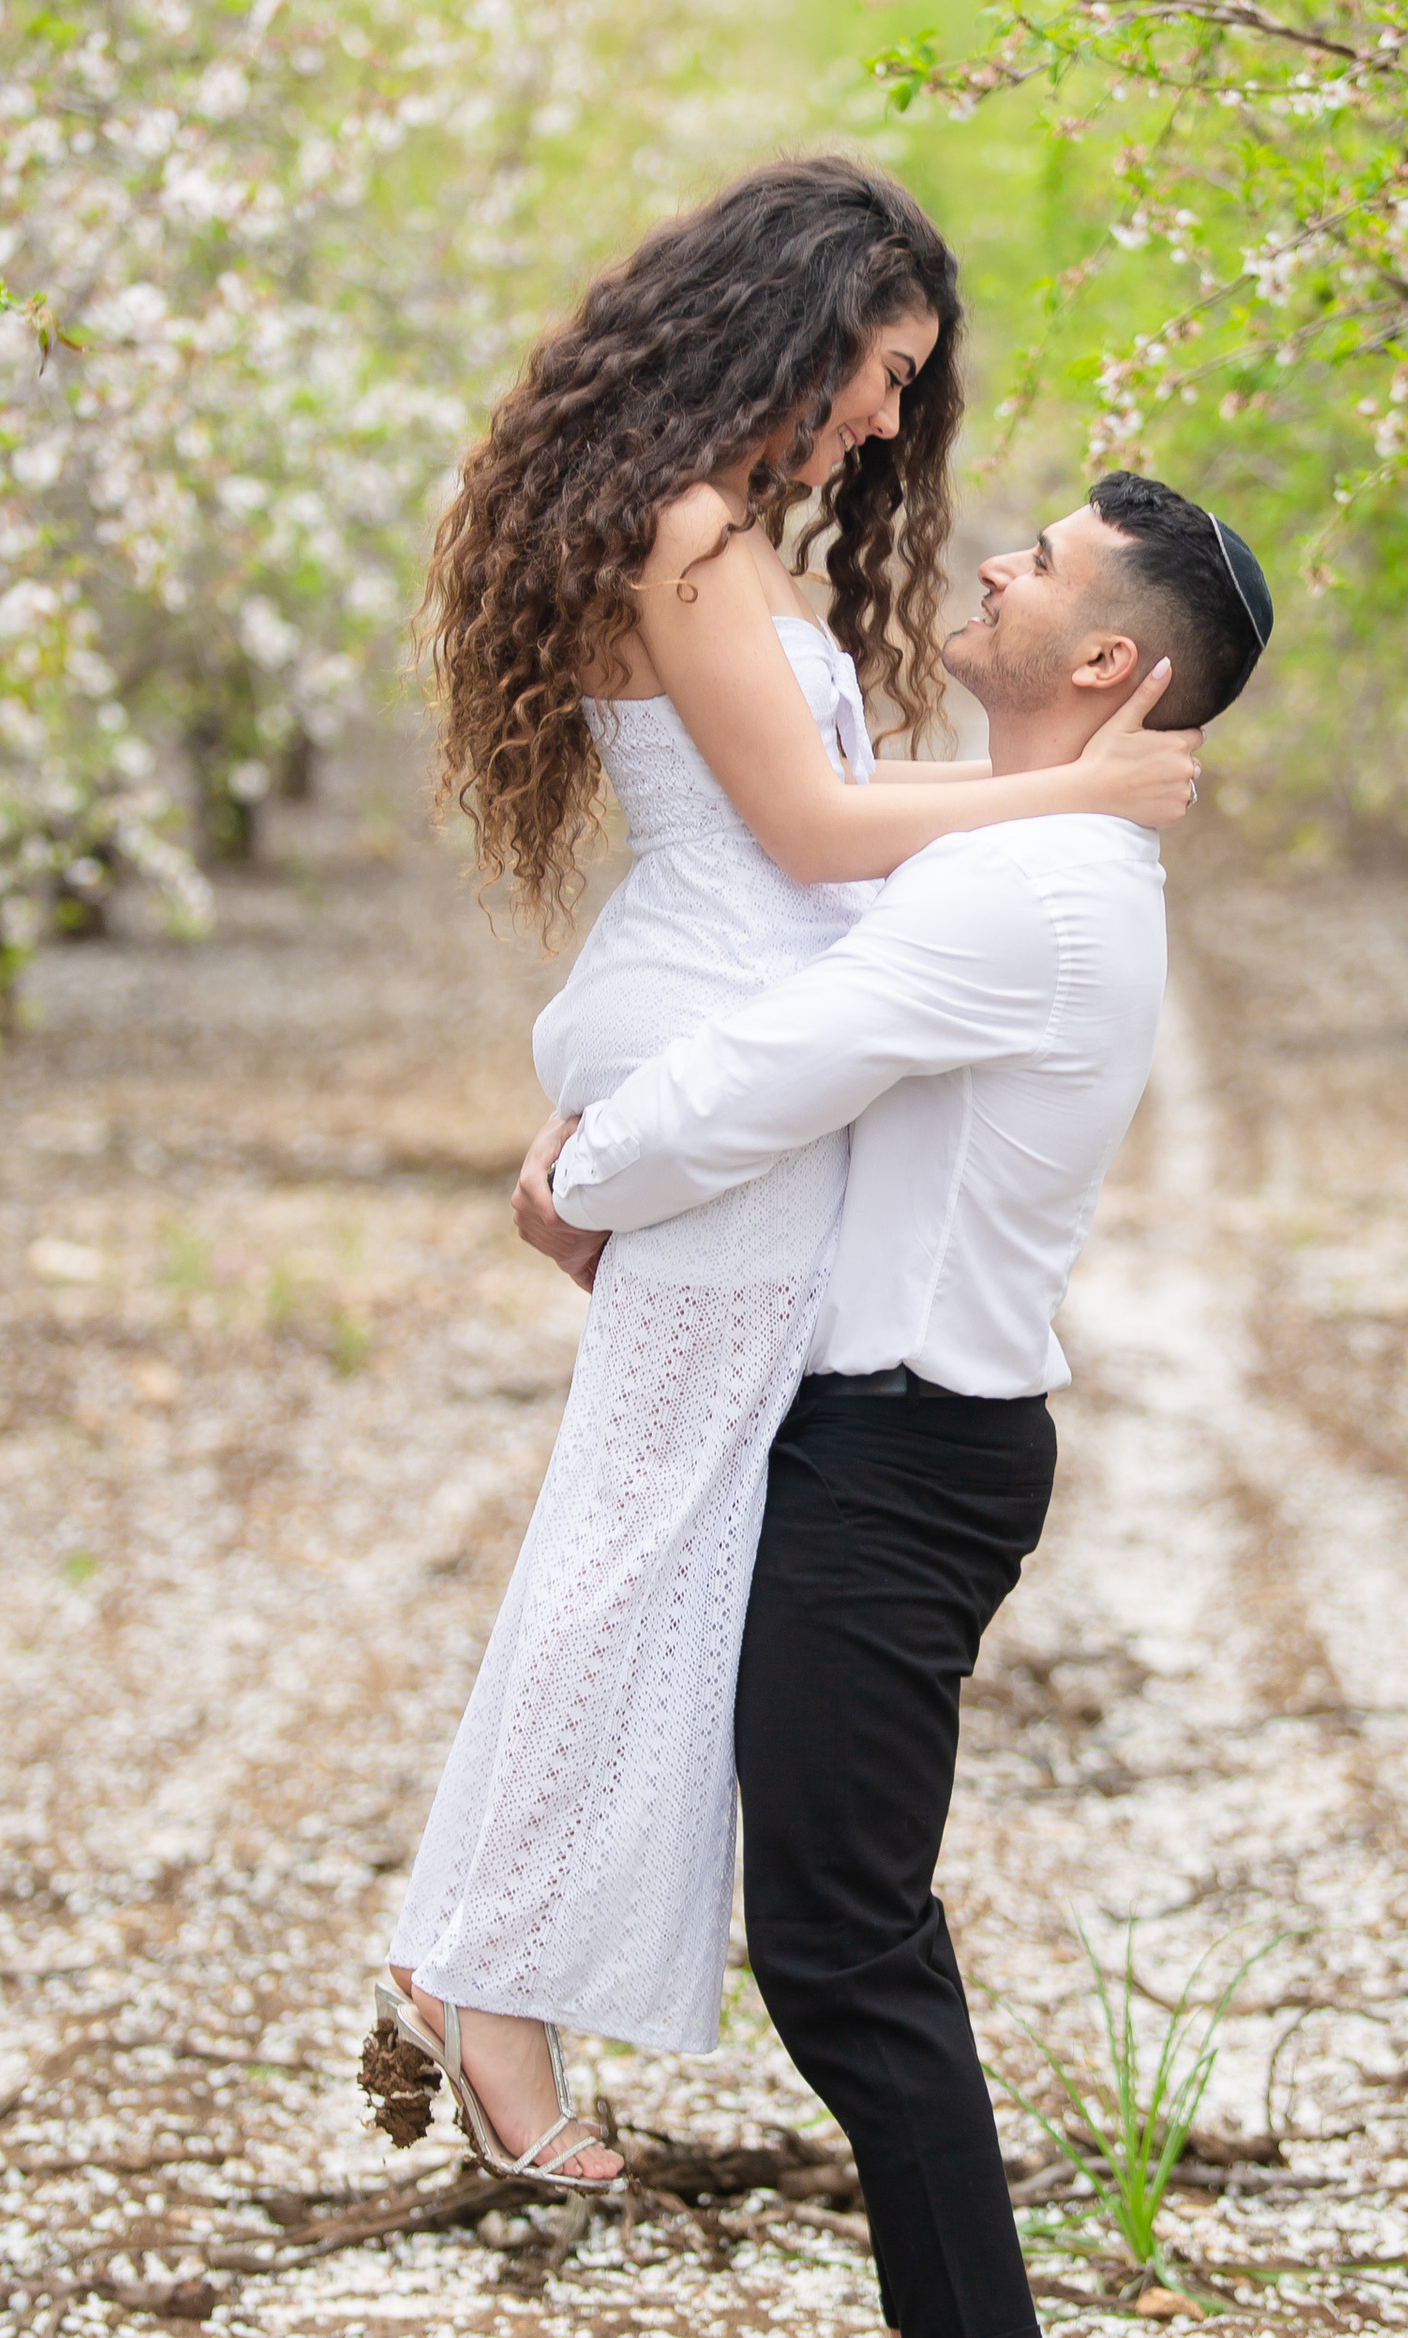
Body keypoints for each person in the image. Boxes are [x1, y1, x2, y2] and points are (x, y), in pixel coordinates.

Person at [370, 162, 1201, 2189]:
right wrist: (1073, 787)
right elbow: (813, 835)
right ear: (791, 328)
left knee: (670, 1507)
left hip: (734, 1023)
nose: (891, 420)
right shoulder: (681, 534)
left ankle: (486, 1964)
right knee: (647, 1513)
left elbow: (816, 812)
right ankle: (481, 1978)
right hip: (721, 1010)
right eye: (883, 371)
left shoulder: (710, 532)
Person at [518, 471, 1274, 2338]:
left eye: (1045, 563)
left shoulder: (1032, 890)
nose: (996, 562)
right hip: (876, 1442)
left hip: (905, 1458)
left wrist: (579, 1173)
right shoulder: (1022, 847)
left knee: (848, 1946)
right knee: (853, 1930)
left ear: (1108, 662)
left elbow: (769, 1072)